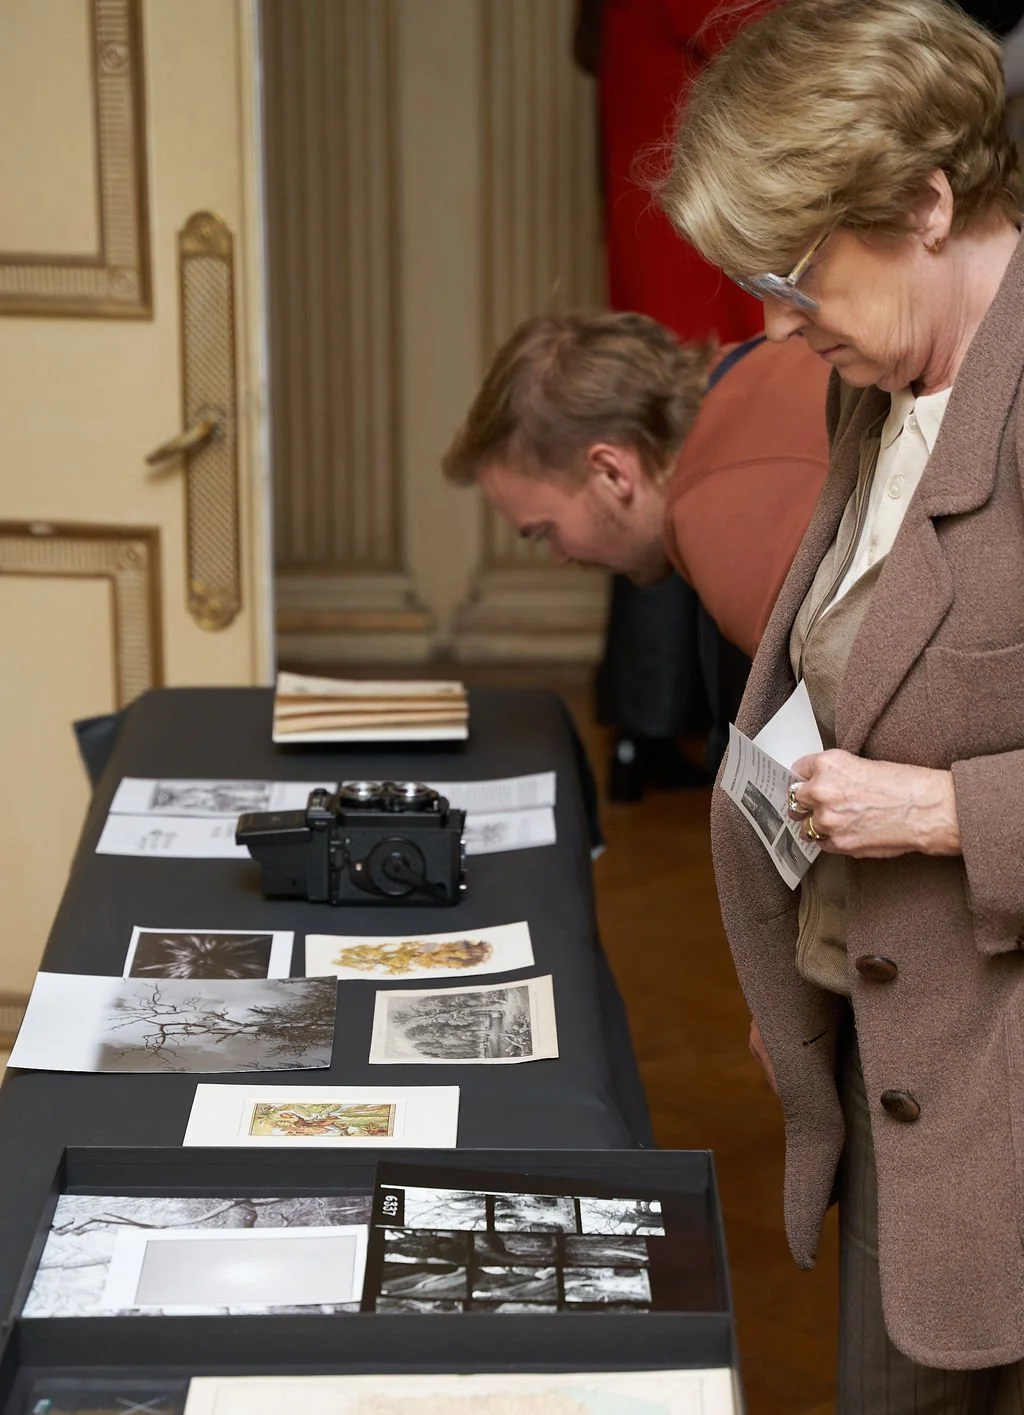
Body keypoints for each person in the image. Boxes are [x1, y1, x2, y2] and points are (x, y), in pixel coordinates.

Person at [662, 0, 1024, 1405]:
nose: (774, 320)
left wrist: (946, 810)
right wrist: (803, 948)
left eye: (799, 272)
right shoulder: (879, 387)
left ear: (929, 203)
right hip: (900, 1055)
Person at [441, 311, 829, 761]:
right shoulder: (758, 360)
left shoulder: (721, 523)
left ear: (611, 472)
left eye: (547, 531)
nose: (560, 557)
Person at [574, 0, 769, 801]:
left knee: (675, 484)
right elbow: (775, 39)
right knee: (706, 492)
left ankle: (650, 728)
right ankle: (679, 728)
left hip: (668, 260)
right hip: (702, 273)